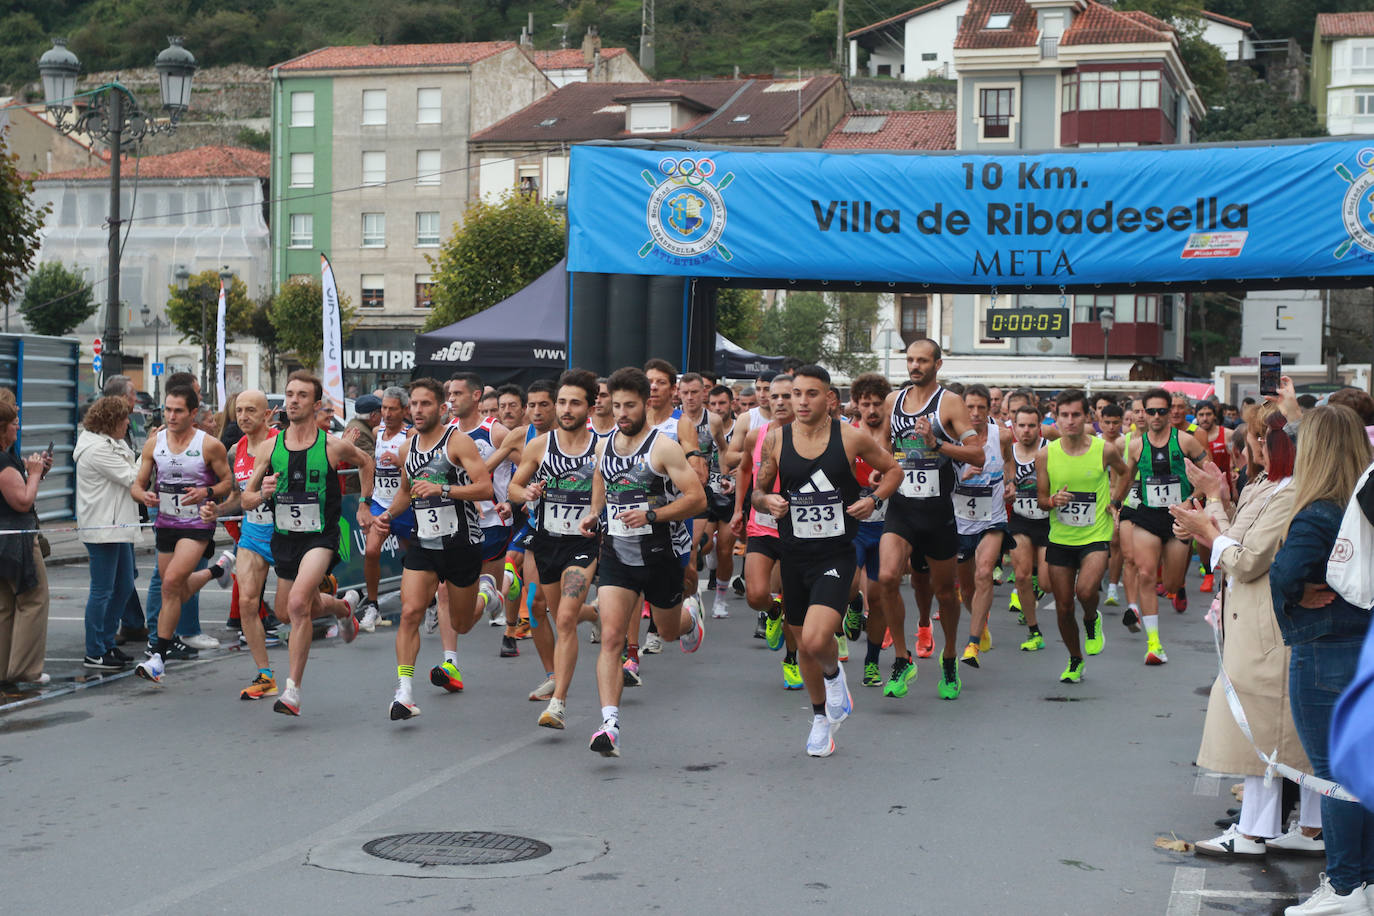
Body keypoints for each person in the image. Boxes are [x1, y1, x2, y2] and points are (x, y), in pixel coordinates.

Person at [1172, 405, 1324, 860]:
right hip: (1258, 618)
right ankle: (1308, 826)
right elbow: (1236, 537)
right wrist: (1214, 504)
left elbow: (1244, 557)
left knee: (1269, 726)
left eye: (1261, 438)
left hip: (1268, 622)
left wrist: (1208, 526)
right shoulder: (1270, 485)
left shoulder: (1288, 490)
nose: (1253, 445)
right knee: (1283, 727)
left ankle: (1256, 831)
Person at [752, 365, 899, 756]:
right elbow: (757, 492)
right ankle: (820, 720)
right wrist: (767, 501)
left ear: (829, 399)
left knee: (818, 639)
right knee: (802, 646)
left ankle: (835, 677)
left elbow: (894, 470)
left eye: (810, 394)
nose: (801, 401)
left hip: (836, 553)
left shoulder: (850, 438)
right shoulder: (777, 440)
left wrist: (873, 500)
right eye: (796, 393)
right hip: (794, 553)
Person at [1269, 405, 1374, 914]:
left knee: (1335, 773)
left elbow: (1283, 570)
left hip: (1326, 650)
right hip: (1366, 647)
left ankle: (1345, 887)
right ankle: (1364, 883)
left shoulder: (1319, 510)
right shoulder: (1363, 504)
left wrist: (1295, 593)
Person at [578, 366, 707, 757]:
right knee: (613, 638)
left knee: (666, 631)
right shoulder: (605, 445)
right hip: (618, 552)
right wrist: (594, 512)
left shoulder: (662, 447)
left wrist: (651, 515)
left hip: (660, 553)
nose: (621, 413)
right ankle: (610, 724)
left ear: (645, 404)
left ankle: (690, 620)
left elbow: (697, 499)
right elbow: (601, 479)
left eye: (629, 405)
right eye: (615, 405)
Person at [241, 372, 371, 715]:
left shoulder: (332, 445)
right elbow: (246, 498)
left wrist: (364, 503)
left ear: (315, 405)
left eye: (301, 395)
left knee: (298, 603)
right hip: (285, 538)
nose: (293, 400)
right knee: (287, 611)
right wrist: (262, 493)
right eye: (289, 394)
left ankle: (292, 691)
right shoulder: (270, 447)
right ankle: (344, 609)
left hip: (321, 537)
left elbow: (365, 462)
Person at [373, 377, 493, 721]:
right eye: (414, 404)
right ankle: (405, 692)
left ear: (442, 408)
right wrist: (386, 516)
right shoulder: (407, 448)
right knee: (411, 611)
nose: (417, 410)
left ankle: (487, 593)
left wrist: (444, 490)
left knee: (463, 622)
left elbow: (485, 488)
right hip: (424, 542)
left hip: (461, 544)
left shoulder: (459, 443)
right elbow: (405, 492)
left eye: (425, 404)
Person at [878, 339, 985, 701]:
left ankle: (950, 655)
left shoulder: (949, 403)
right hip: (902, 508)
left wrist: (937, 443)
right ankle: (901, 658)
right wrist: (881, 470)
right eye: (910, 359)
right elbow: (883, 446)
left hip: (938, 511)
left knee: (944, 592)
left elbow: (978, 454)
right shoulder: (893, 401)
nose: (915, 366)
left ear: (937, 364)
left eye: (922, 360)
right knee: (888, 576)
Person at [508, 369, 603, 729]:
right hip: (547, 540)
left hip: (583, 542)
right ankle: (595, 615)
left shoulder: (600, 447)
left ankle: (558, 703)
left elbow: (607, 491)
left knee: (564, 618)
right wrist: (527, 493)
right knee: (547, 609)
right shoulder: (539, 445)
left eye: (574, 402)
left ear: (589, 407)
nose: (566, 409)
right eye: (562, 401)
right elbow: (514, 488)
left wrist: (595, 513)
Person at [132, 385, 237, 685]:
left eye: (178, 410)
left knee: (170, 584)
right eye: (168, 409)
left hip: (196, 525)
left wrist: (207, 491)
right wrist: (144, 497)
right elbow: (137, 485)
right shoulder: (154, 444)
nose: (171, 416)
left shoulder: (209, 445)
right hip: (166, 523)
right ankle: (219, 569)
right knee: (175, 590)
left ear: (193, 413)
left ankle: (157, 657)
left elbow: (227, 483)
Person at [1040, 389, 1127, 683]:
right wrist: (1052, 501)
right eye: (1064, 415)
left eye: (1076, 414)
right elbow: (1041, 499)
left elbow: (1126, 472)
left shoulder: (1104, 449)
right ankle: (1075, 659)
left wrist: (1115, 502)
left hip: (1095, 534)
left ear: (1087, 417)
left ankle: (1092, 618)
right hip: (1061, 537)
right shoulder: (1046, 454)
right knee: (1063, 607)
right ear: (1056, 418)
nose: (1070, 421)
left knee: (1086, 591)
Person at [207, 389, 288, 700]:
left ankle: (340, 606)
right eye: (239, 410)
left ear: (267, 414)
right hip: (253, 534)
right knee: (247, 604)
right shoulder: (236, 449)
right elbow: (237, 499)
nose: (243, 416)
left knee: (287, 612)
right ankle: (265, 675)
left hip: (287, 535)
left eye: (251, 410)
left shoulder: (284, 444)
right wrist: (217, 509)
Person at [1117, 388, 1210, 652]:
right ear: (1143, 414)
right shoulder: (1136, 446)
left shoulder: (1186, 442)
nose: (1156, 416)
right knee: (1146, 574)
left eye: (1162, 411)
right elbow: (1127, 478)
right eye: (1151, 411)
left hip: (1179, 517)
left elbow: (1208, 475)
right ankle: (1153, 644)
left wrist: (1191, 499)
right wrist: (1116, 504)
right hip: (1147, 515)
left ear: (1170, 412)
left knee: (1169, 583)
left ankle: (1177, 587)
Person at [74, 396, 140, 670]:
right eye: (124, 419)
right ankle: (95, 650)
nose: (128, 423)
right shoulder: (97, 449)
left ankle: (107, 643)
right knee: (102, 590)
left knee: (124, 584)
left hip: (117, 524)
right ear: (111, 421)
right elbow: (132, 477)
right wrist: (149, 451)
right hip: (103, 526)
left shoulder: (111, 442)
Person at [848, 373, 895, 686]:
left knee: (877, 599)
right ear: (857, 405)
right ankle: (851, 606)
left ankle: (872, 662)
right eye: (866, 404)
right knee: (849, 588)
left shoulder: (895, 437)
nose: (872, 410)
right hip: (853, 526)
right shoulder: (847, 435)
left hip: (886, 526)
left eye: (878, 404)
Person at [0, 399, 50, 687]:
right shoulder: (3, 461)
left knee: (5, 605)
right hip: (15, 540)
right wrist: (32, 474)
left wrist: (36, 473)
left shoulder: (7, 457)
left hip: (4, 540)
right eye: (13, 422)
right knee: (33, 599)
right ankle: (25, 669)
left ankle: (5, 668)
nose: (17, 426)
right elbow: (21, 501)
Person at [358, 387, 415, 631]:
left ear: (404, 410)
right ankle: (372, 605)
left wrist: (400, 461)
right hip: (381, 502)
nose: (387, 414)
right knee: (371, 551)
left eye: (393, 409)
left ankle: (431, 600)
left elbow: (422, 465)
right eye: (384, 408)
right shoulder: (376, 431)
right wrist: (366, 500)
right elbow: (368, 465)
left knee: (416, 556)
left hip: (405, 504)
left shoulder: (410, 434)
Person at [1007, 405, 1051, 651]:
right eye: (1021, 425)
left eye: (1031, 425)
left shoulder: (1050, 450)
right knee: (1021, 575)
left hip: (1047, 521)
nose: (1026, 430)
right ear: (1014, 427)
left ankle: (1037, 586)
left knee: (1046, 583)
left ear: (1039, 427)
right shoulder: (1009, 453)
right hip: (1020, 520)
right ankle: (1034, 631)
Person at [1193, 400, 1231, 594]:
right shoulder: (1191, 436)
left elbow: (1237, 461)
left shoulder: (1227, 434)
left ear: (1214, 415)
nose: (1205, 418)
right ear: (1196, 416)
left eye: (1208, 414)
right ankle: (1207, 571)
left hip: (1224, 492)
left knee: (1227, 529)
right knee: (1203, 532)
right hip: (1203, 491)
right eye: (1201, 415)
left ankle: (1228, 569)